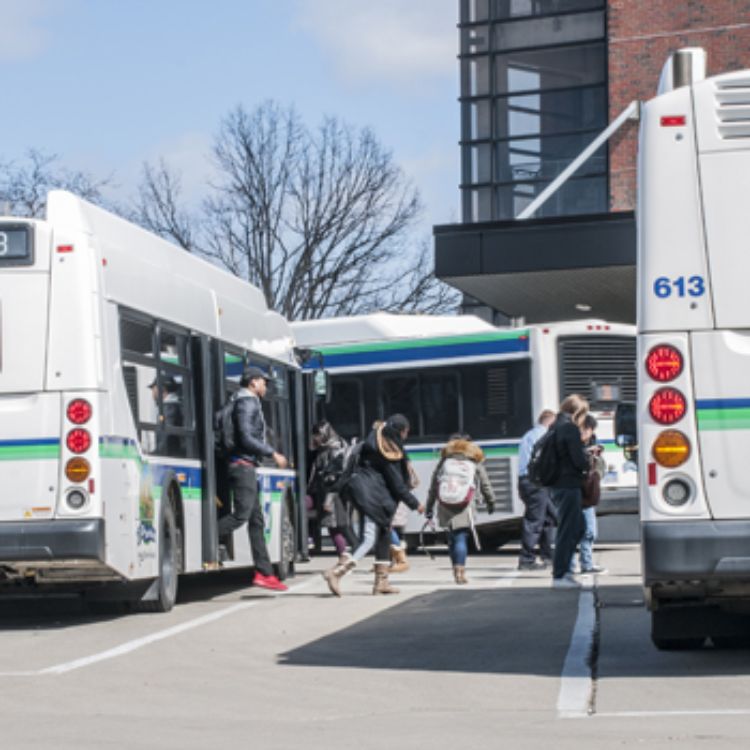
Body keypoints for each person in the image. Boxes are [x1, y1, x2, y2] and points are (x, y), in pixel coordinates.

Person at [327, 414, 424, 596]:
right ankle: (336, 573)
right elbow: (397, 484)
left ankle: (381, 582)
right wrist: (415, 504)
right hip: (374, 499)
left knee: (384, 537)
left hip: (365, 493)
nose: (406, 435)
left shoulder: (373, 442)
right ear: (400, 431)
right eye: (405, 431)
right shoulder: (387, 451)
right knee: (369, 538)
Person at [218, 366, 289, 592]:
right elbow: (246, 437)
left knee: (256, 522)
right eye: (263, 382)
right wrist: (272, 453)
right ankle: (206, 538)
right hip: (242, 466)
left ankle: (264, 573)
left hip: (245, 465)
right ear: (253, 383)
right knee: (241, 516)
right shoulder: (247, 403)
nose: (266, 386)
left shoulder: (242, 401)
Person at [425, 433, 495, 584]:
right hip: (465, 504)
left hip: (445, 503)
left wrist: (429, 507)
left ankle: (455, 571)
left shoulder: (444, 462)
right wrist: (491, 503)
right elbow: (485, 485)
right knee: (461, 537)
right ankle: (461, 571)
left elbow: (433, 487)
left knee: (452, 539)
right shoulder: (474, 461)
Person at [549, 394, 591, 590]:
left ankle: (565, 569)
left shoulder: (555, 425)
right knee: (569, 529)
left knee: (577, 527)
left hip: (558, 484)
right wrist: (588, 458)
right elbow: (578, 460)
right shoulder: (569, 428)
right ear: (578, 412)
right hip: (568, 484)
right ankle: (560, 573)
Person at [308, 420, 360, 572]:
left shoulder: (334, 449)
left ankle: (351, 553)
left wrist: (328, 499)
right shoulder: (328, 447)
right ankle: (345, 555)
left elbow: (334, 476)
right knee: (336, 526)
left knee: (339, 525)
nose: (315, 438)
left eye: (317, 434)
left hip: (333, 494)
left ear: (325, 433)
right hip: (328, 492)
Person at [517, 409, 557, 571]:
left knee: (548, 519)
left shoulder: (529, 435)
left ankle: (547, 556)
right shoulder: (543, 436)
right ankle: (526, 559)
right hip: (536, 482)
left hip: (527, 481)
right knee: (535, 520)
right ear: (550, 422)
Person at [573, 413, 608, 575]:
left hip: (588, 494)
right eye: (581, 429)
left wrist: (595, 461)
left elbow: (601, 469)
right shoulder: (572, 445)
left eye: (586, 429)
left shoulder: (595, 446)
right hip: (573, 493)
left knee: (590, 531)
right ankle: (574, 565)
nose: (583, 432)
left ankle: (585, 563)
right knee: (575, 531)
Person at [149, 374, 184, 456]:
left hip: (173, 456)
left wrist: (158, 453)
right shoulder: (170, 406)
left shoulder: (170, 407)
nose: (152, 392)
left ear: (161, 389)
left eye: (153, 388)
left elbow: (167, 432)